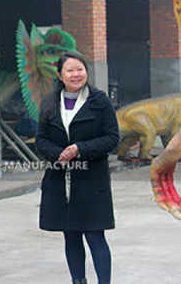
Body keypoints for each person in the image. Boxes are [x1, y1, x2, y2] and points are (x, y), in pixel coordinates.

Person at [35, 51, 119, 284]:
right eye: (70, 70)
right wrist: (58, 155)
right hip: (60, 181)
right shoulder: (50, 102)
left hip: (92, 182)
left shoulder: (99, 101)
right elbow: (40, 140)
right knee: (70, 236)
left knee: (94, 235)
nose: (76, 74)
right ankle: (78, 280)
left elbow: (112, 138)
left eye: (80, 69)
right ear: (60, 75)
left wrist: (79, 149)